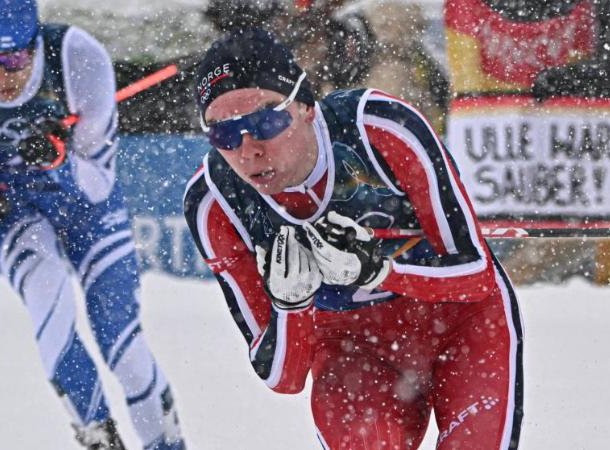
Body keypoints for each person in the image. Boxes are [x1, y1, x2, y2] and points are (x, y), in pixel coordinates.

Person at [183, 28, 523, 449]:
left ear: (306, 107)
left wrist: (381, 270)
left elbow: (476, 275)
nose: (249, 150)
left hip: (459, 319)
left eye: (266, 121)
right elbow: (281, 377)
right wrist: (292, 305)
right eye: (224, 135)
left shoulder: (380, 128)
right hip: (354, 346)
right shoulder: (215, 203)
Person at [0, 1, 185, 448]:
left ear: (35, 45)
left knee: (121, 343)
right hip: (13, 210)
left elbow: (97, 182)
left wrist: (59, 158)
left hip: (86, 212)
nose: (2, 76)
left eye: (15, 59)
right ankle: (99, 437)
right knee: (49, 315)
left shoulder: (76, 57)